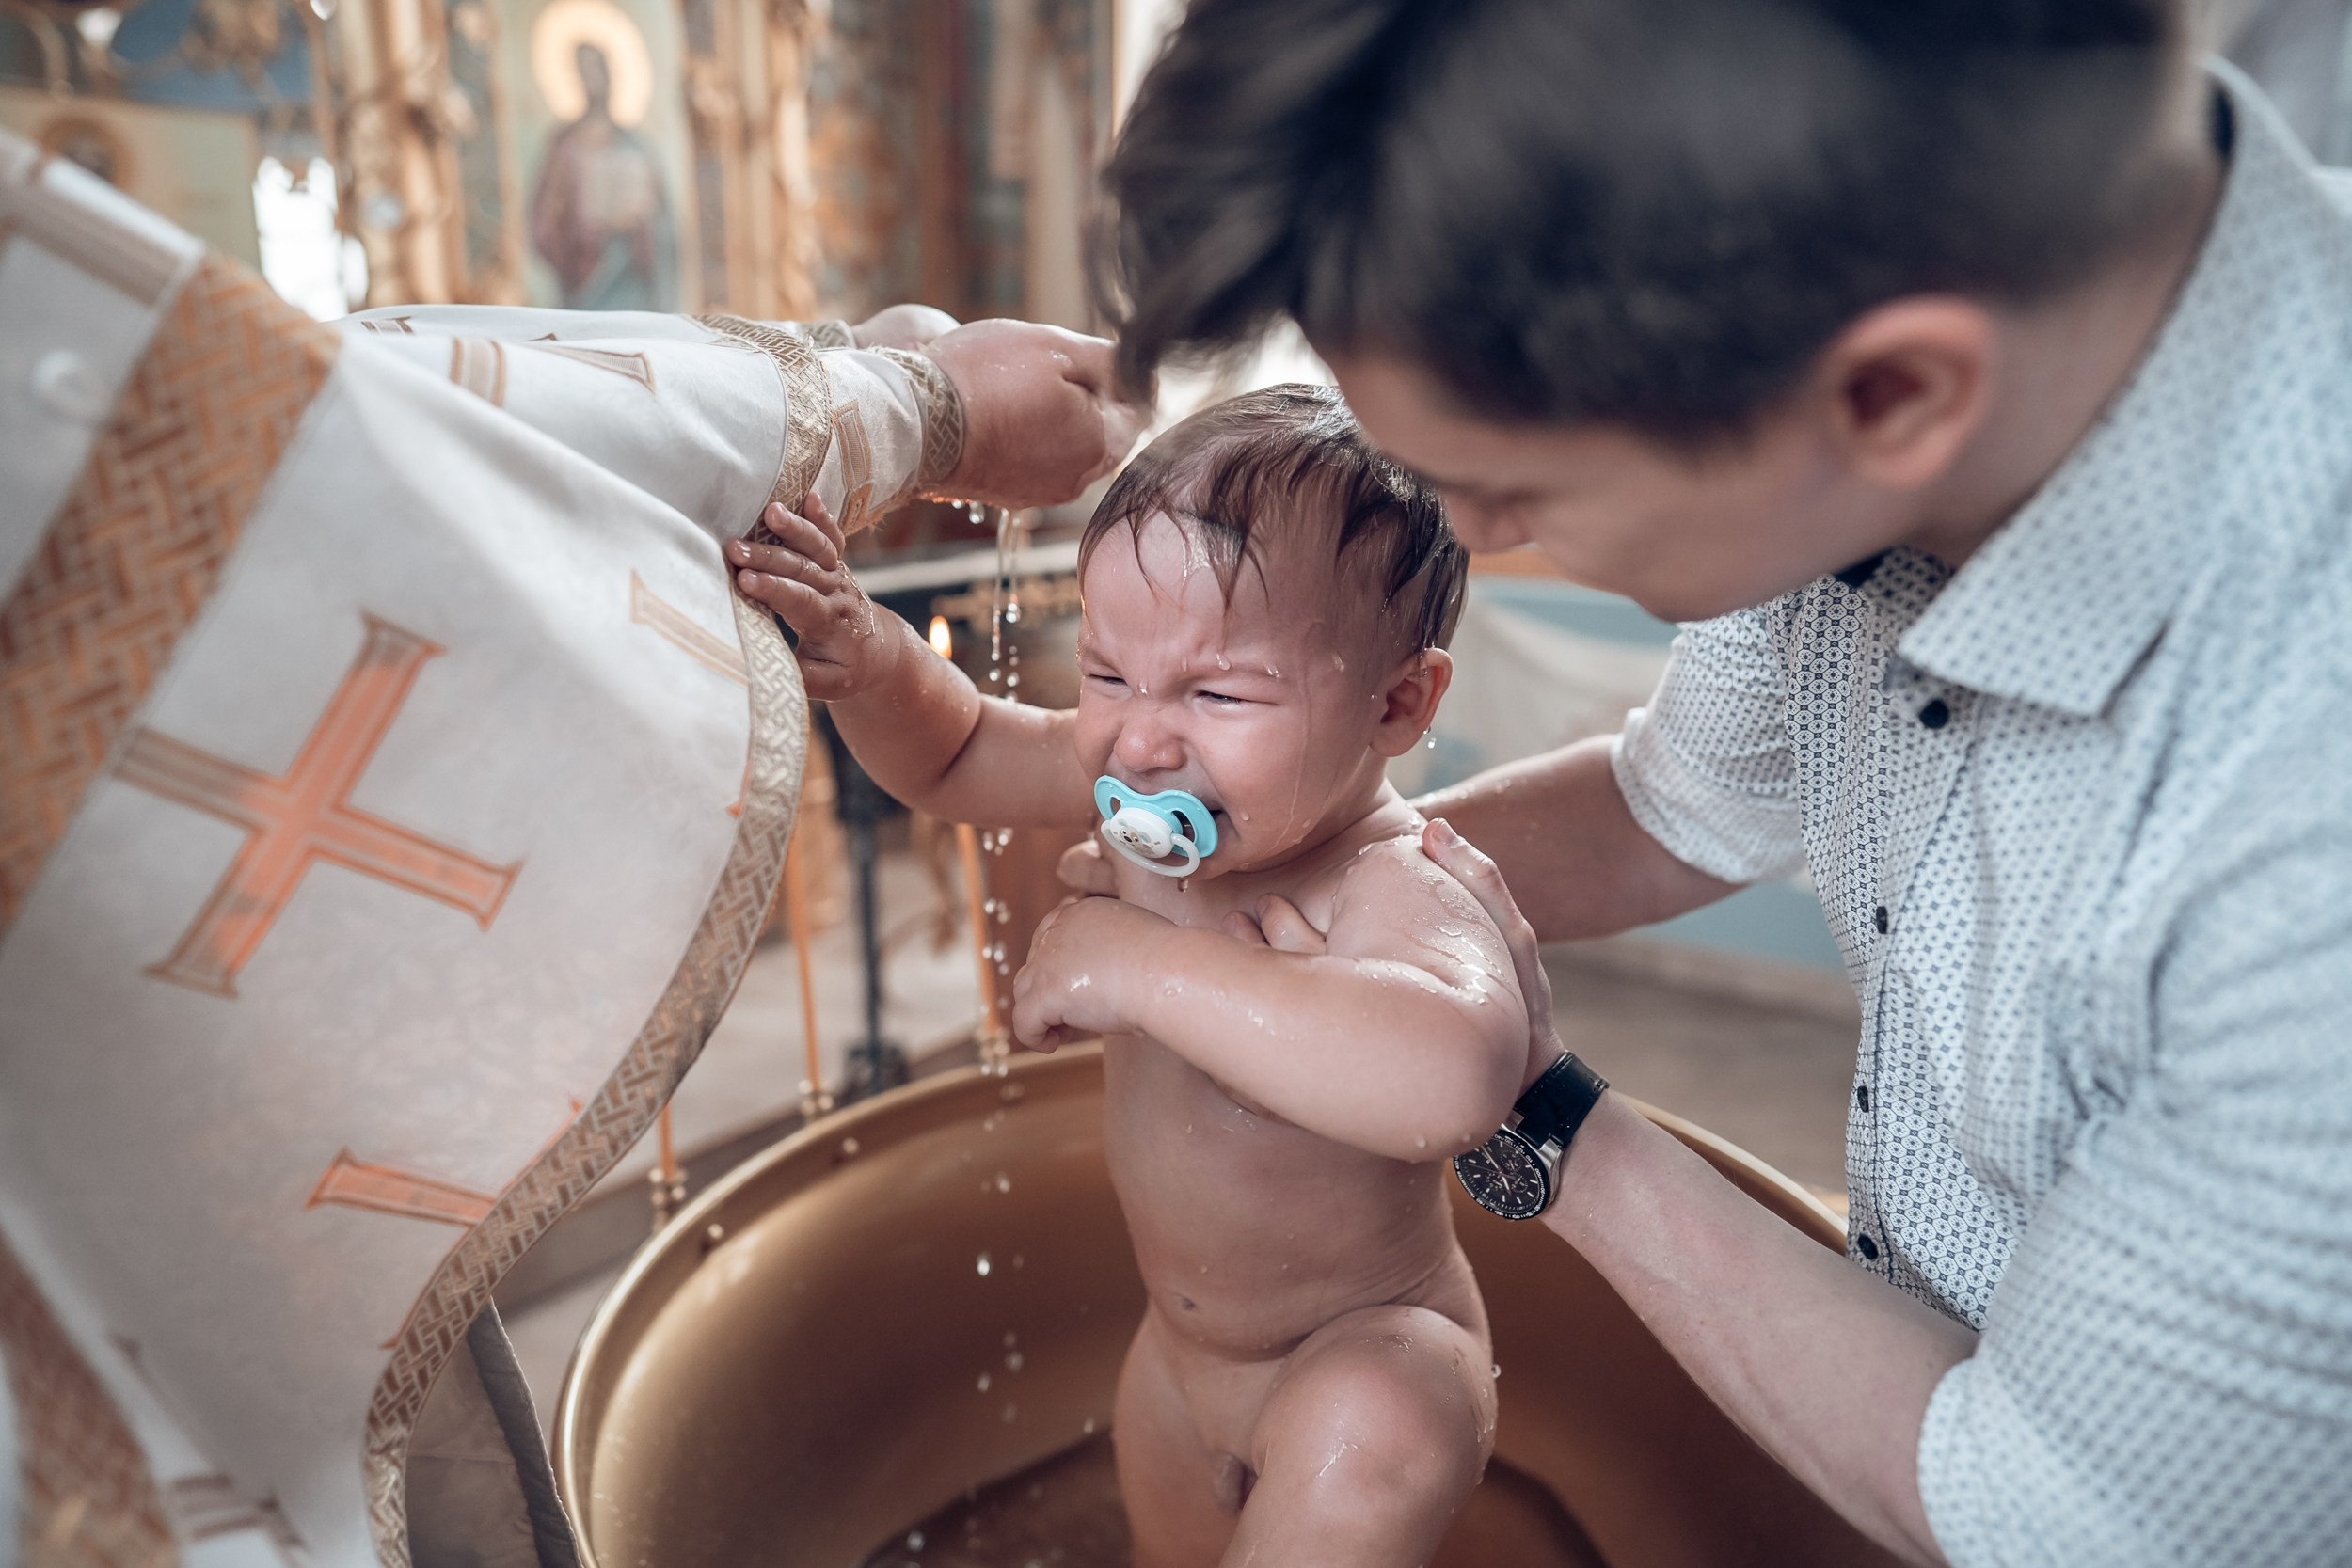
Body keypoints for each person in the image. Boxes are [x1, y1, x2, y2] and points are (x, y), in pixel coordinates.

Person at [1085, 3, 2352, 1565]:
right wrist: (1278, 892)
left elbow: (2065, 1509)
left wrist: (1531, 1105)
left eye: (1514, 491)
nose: (1466, 539)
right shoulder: (1857, 383)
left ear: (1892, 397)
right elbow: (1671, 803)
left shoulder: (2301, 831)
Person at [726, 386, 1538, 1568]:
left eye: (1217, 692)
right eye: (1108, 675)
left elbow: (1456, 1073)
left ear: (1396, 702)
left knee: (1375, 1426)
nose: (1140, 741)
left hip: (1367, 1353)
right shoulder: (1146, 779)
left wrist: (1138, 961)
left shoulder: (1390, 881)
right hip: (1176, 1364)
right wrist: (867, 654)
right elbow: (956, 748)